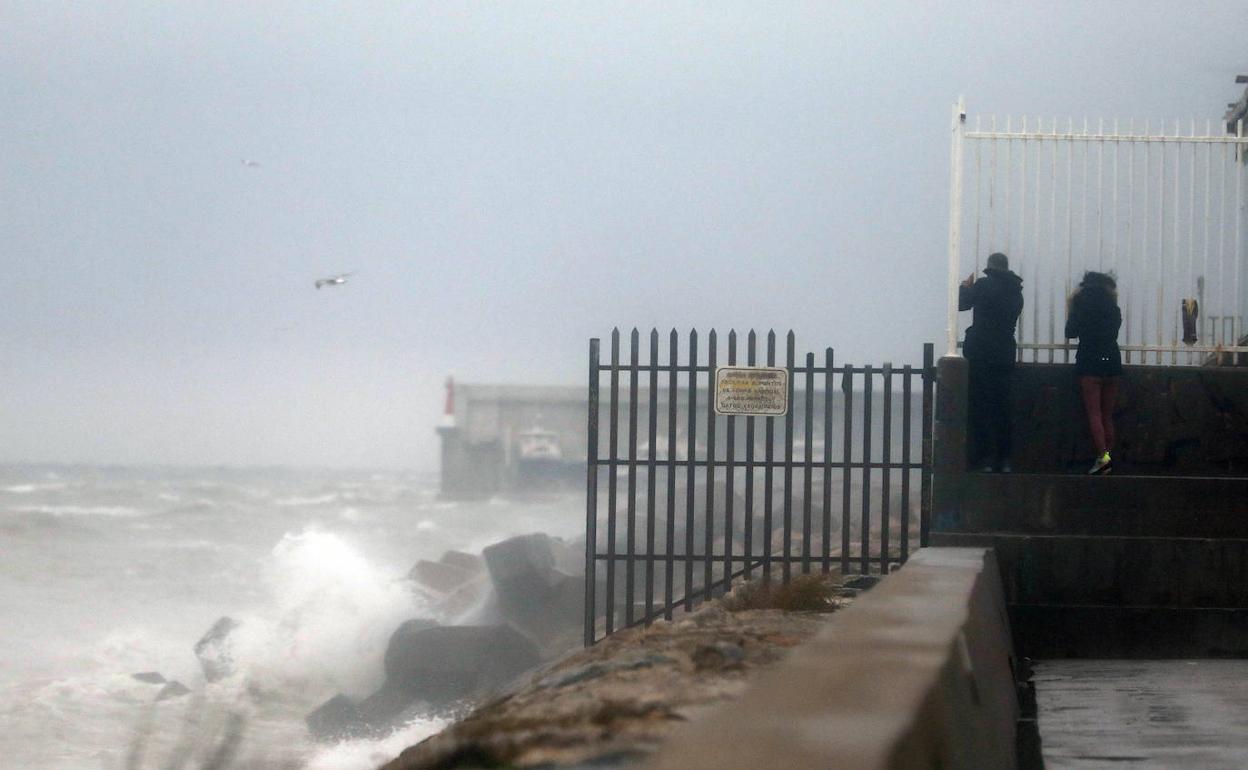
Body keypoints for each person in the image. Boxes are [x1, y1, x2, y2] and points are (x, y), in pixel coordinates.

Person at [959, 252, 1024, 472]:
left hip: (980, 353)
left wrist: (965, 287)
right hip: (1004, 354)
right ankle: (1004, 459)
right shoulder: (1017, 292)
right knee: (1001, 408)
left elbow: (962, 304)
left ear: (990, 267)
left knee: (978, 407)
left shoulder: (983, 285)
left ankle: (982, 458)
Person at [1064, 271, 1122, 474]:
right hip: (1112, 361)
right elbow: (1113, 331)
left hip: (1090, 362)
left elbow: (1070, 332)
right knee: (1107, 416)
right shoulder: (1114, 308)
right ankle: (1108, 457)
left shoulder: (1081, 304)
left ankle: (1104, 460)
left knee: (1094, 415)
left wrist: (1072, 307)